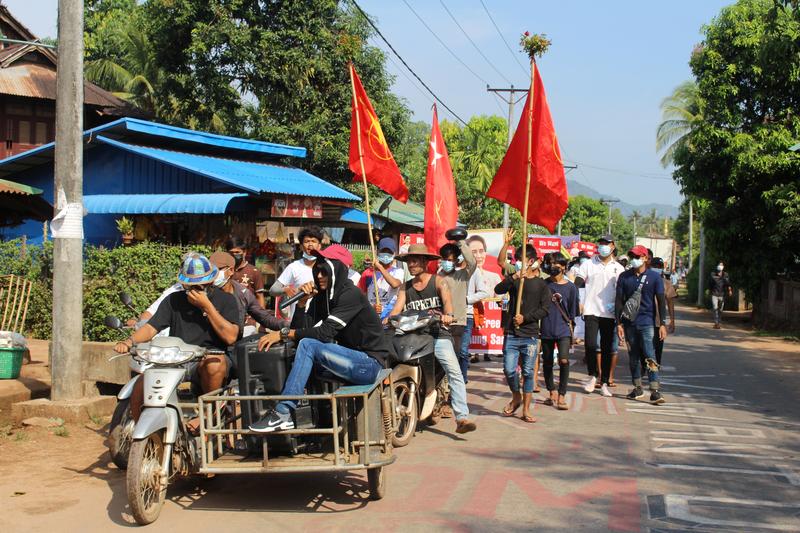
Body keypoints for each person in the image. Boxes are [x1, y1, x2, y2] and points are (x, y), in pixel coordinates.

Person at [249, 250, 392, 433]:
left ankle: (283, 413)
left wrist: (283, 334)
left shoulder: (350, 294)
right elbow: (303, 328)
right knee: (300, 353)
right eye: (317, 271)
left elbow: (324, 334)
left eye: (324, 272)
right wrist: (302, 304)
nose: (319, 276)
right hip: (347, 359)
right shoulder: (323, 296)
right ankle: (319, 424)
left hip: (369, 363)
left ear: (336, 271)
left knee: (309, 346)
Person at [114, 253, 241, 421]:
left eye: (200, 285)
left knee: (214, 365)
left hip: (209, 357)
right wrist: (130, 342)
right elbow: (151, 328)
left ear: (210, 282)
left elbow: (231, 337)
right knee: (142, 381)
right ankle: (139, 430)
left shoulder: (226, 300)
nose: (195, 290)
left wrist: (207, 307)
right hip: (176, 359)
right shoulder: (173, 300)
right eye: (191, 286)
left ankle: (208, 415)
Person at [389, 244, 477, 434]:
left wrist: (448, 314)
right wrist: (388, 318)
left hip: (438, 335)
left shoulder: (439, 281)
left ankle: (461, 417)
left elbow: (448, 303)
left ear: (424, 262)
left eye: (415, 260)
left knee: (454, 371)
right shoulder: (405, 287)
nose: (411, 264)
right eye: (409, 261)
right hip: (413, 336)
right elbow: (396, 310)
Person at [494, 244, 551, 423]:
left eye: (521, 260)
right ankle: (516, 396)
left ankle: (526, 409)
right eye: (516, 260)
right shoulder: (515, 280)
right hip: (512, 333)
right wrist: (513, 277)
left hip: (531, 335)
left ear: (531, 261)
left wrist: (525, 318)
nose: (517, 263)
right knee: (509, 370)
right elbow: (498, 289)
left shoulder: (542, 284)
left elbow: (545, 309)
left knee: (527, 372)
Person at [616, 245, 668, 405]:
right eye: (632, 256)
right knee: (633, 357)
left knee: (649, 354)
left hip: (647, 323)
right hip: (629, 323)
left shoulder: (654, 278)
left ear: (645, 258)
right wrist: (618, 323)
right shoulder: (624, 277)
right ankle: (637, 387)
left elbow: (660, 302)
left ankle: (655, 390)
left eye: (637, 256)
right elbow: (619, 301)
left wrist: (663, 324)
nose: (634, 259)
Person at [576, 235, 625, 397]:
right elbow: (578, 282)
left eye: (607, 243)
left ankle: (604, 382)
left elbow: (622, 292)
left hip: (609, 313)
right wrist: (578, 299)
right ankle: (593, 375)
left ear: (613, 246)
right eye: (601, 243)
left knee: (606, 349)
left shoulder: (618, 268)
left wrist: (619, 310)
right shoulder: (589, 264)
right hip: (591, 310)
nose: (603, 246)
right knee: (590, 345)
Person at [209, 252, 287, 337]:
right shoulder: (206, 292)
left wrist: (288, 326)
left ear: (231, 270)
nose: (213, 274)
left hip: (235, 340)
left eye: (217, 269)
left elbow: (264, 318)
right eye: (210, 270)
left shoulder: (243, 293)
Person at [540, 256, 578, 410]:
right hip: (547, 327)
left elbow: (573, 311)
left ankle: (562, 394)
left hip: (563, 328)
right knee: (548, 361)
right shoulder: (544, 284)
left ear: (563, 267)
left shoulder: (571, 288)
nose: (553, 266)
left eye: (556, 263)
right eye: (550, 263)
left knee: (563, 360)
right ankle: (551, 391)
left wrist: (572, 332)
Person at [438, 236, 477, 383]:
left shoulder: (462, 275)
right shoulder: (437, 277)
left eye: (450, 259)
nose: (447, 262)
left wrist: (460, 242)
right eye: (445, 259)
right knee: (443, 358)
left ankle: (458, 383)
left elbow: (472, 262)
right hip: (442, 323)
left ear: (456, 260)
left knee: (459, 354)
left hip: (458, 322)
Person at [270, 226, 323, 319]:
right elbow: (273, 290)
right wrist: (285, 290)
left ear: (319, 245)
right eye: (307, 241)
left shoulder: (326, 266)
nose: (310, 245)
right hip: (298, 318)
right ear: (301, 246)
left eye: (313, 241)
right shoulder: (294, 267)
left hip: (320, 319)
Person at [465, 235, 501, 364]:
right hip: (469, 313)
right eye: (474, 252)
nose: (479, 255)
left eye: (481, 251)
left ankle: (486, 352)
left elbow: (500, 299)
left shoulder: (494, 277)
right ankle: (473, 354)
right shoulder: (463, 274)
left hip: (487, 318)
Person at [358, 237, 404, 322]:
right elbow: (359, 297)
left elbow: (395, 284)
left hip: (389, 318)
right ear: (377, 252)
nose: (386, 254)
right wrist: (371, 307)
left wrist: (380, 267)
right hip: (371, 317)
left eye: (389, 252)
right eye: (383, 251)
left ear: (394, 254)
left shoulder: (398, 272)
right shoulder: (367, 273)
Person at [650, 257, 677, 367]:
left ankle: (654, 370)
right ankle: (643, 367)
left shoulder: (666, 283)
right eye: (654, 266)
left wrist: (672, 320)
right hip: (645, 319)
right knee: (645, 346)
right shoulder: (644, 280)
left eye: (659, 267)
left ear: (662, 268)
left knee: (657, 347)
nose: (656, 268)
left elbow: (670, 302)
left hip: (659, 322)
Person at [227, 237, 266, 307]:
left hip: (247, 314)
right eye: (231, 253)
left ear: (244, 253)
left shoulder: (254, 271)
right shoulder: (223, 270)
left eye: (237, 252)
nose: (234, 255)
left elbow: (259, 296)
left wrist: (261, 316)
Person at [709, 262, 732, 329]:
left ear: (723, 267)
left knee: (720, 309)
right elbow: (710, 284)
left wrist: (730, 290)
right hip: (714, 294)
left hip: (722, 294)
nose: (720, 266)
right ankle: (716, 323)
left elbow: (728, 284)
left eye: (721, 265)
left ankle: (719, 322)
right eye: (719, 265)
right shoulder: (713, 274)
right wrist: (709, 291)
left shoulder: (725, 275)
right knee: (715, 308)